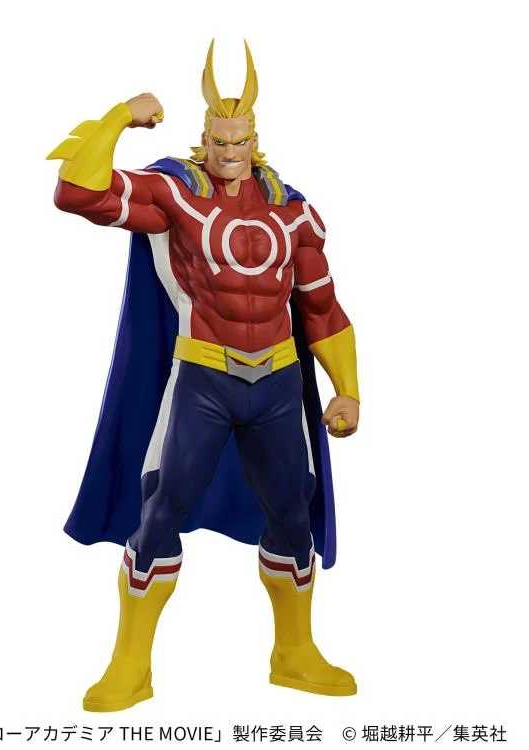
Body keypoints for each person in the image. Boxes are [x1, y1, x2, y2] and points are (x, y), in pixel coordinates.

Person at [48, 41, 360, 712]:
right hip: (203, 379)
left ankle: (294, 653)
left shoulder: (294, 212)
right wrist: (119, 117)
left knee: (293, 516)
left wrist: (348, 389)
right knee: (160, 511)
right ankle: (130, 665)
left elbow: (323, 308)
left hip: (277, 385)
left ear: (255, 138)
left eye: (239, 141)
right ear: (205, 137)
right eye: (219, 141)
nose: (229, 152)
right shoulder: (177, 197)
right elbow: (78, 193)